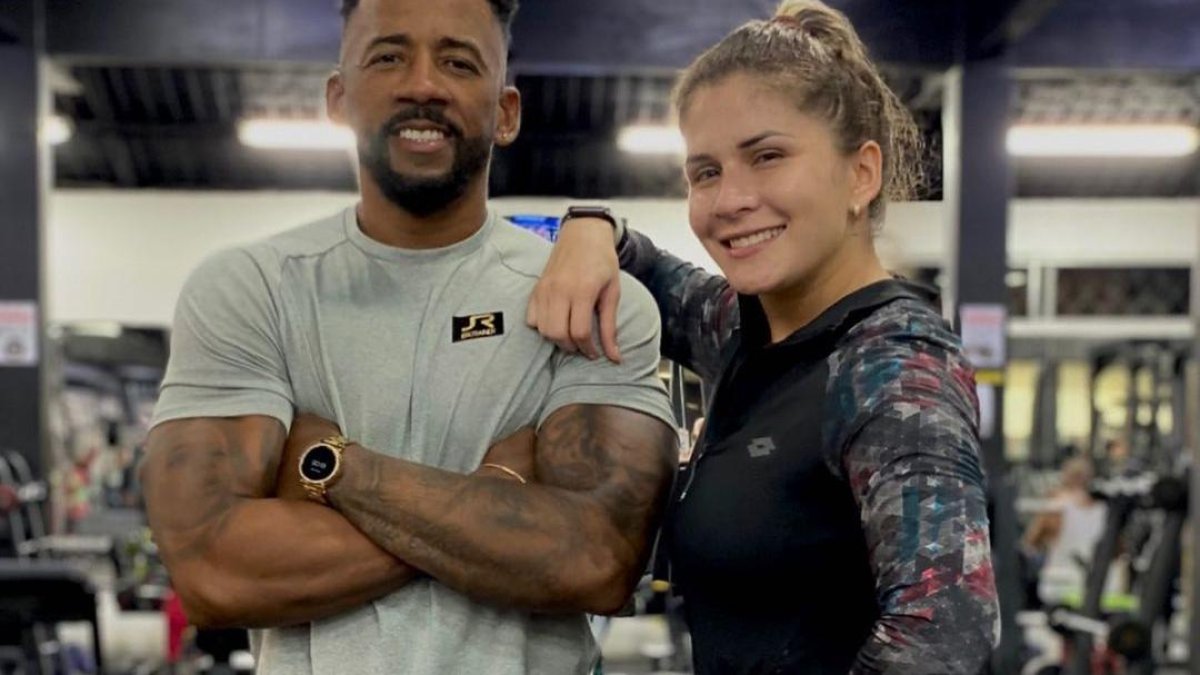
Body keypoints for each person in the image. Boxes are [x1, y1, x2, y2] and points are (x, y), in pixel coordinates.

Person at [138, 0, 679, 673]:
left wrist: (334, 466)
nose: (422, 84)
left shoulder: (593, 303)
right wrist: (497, 492)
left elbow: (595, 560)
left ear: (506, 111)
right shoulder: (251, 290)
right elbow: (213, 570)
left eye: (458, 61)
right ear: (338, 98)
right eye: (388, 56)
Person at [526, 1, 1000, 672]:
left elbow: (946, 634)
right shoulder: (743, 330)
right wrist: (591, 223)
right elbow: (654, 272)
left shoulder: (888, 364)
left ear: (860, 174)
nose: (729, 200)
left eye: (767, 156)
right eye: (706, 171)